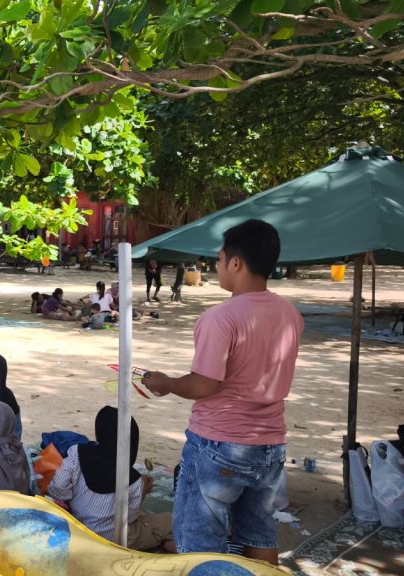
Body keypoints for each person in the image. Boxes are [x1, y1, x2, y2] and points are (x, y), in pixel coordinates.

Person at [143, 219, 303, 564]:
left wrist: (166, 383)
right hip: (270, 443)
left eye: (218, 260)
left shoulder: (221, 317)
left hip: (220, 443)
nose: (216, 268)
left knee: (198, 543)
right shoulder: (290, 314)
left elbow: (204, 384)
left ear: (236, 263)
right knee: (258, 534)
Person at [48, 406, 175, 552]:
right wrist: (143, 492)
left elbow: (58, 486)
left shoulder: (77, 453)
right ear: (131, 442)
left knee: (139, 514)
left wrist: (69, 504)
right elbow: (129, 518)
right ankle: (170, 547)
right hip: (116, 539)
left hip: (78, 529)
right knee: (170, 521)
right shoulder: (133, 480)